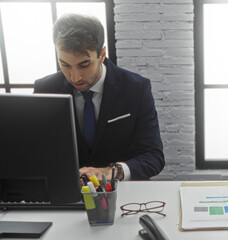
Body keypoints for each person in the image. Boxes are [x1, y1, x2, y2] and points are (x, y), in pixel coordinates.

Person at [34, 14, 164, 181]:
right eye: (65, 64)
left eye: (84, 65)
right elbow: (38, 151)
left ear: (102, 55)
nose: (75, 77)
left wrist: (111, 172)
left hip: (121, 191)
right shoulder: (45, 89)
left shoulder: (136, 88)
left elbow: (154, 156)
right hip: (66, 190)